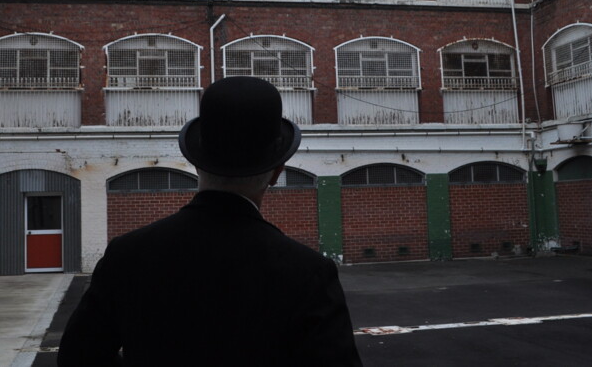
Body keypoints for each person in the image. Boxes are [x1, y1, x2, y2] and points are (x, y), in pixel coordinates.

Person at [57, 76, 363, 366]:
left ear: (196, 162)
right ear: (276, 172)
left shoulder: (127, 255)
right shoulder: (308, 273)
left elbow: (78, 357)